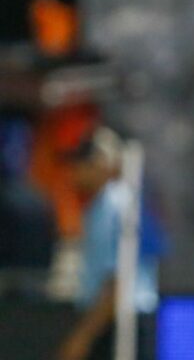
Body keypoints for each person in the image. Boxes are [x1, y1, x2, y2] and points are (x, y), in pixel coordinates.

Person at [57, 127, 165, 360]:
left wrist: (84, 336)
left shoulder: (114, 204)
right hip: (113, 318)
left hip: (123, 321)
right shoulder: (102, 205)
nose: (73, 172)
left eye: (81, 164)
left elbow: (117, 280)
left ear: (102, 163)